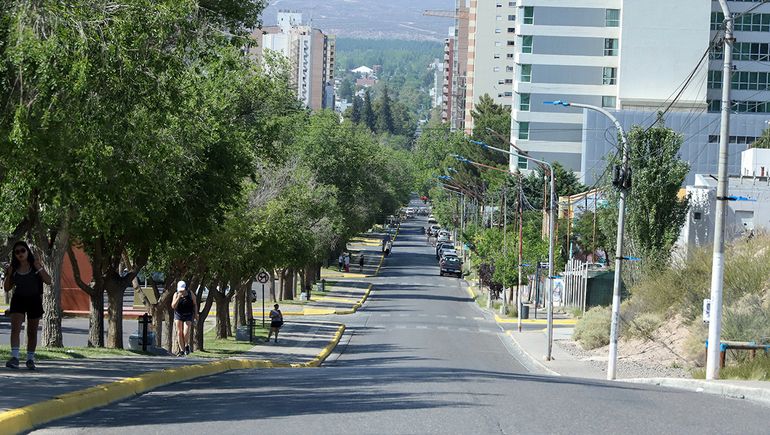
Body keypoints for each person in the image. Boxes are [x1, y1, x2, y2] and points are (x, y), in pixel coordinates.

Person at [4, 241, 51, 370]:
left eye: (22, 251)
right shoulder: (13, 268)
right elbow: (7, 288)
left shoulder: (35, 266)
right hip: (18, 300)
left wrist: (39, 266)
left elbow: (49, 281)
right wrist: (9, 273)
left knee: (32, 332)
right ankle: (15, 358)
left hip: (34, 300)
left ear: (27, 251)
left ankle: (30, 359)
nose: (20, 254)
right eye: (17, 252)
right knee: (15, 329)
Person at [171, 281, 197, 356]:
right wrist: (178, 297)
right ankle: (182, 350)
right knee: (179, 332)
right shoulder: (176, 294)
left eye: (182, 290)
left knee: (185, 332)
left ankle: (186, 345)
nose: (181, 291)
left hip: (188, 314)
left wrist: (196, 314)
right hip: (178, 314)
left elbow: (195, 304)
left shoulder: (190, 293)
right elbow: (173, 306)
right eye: (180, 290)